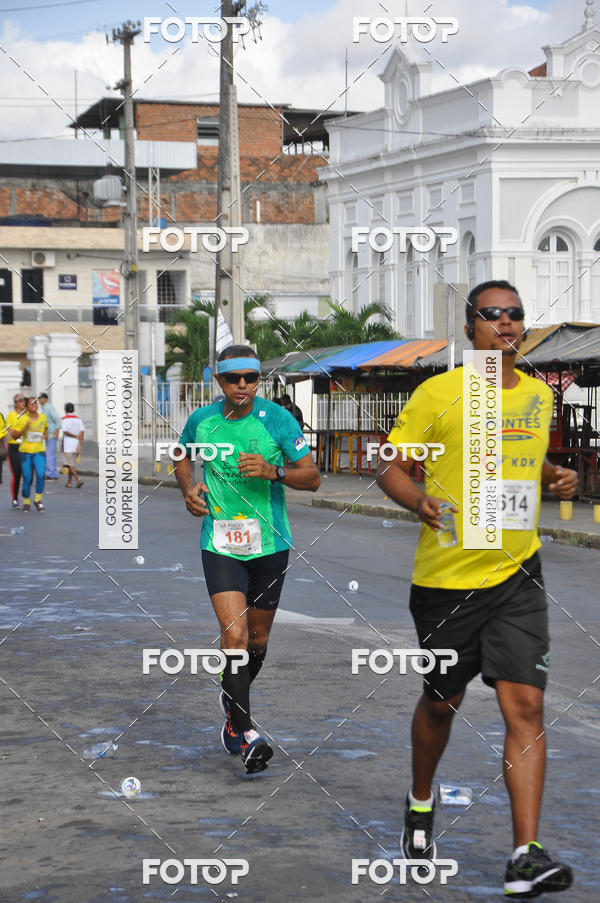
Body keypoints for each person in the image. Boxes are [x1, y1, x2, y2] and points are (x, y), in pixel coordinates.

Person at [376, 280, 576, 898]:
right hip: (446, 582)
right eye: (493, 315)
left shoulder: (539, 397)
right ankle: (419, 800)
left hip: (517, 574)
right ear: (471, 330)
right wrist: (419, 501)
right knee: (442, 703)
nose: (507, 324)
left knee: (527, 707)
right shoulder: (441, 392)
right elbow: (388, 462)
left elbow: (526, 461)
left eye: (516, 315)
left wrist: (554, 476)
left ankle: (525, 854)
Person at [174, 345, 320, 774]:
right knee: (234, 637)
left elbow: (312, 478)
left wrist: (274, 471)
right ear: (218, 381)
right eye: (233, 378)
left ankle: (230, 705)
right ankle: (246, 733)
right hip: (220, 542)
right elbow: (182, 454)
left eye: (250, 379)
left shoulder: (278, 419)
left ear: (259, 381)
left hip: (270, 545)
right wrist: (188, 489)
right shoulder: (203, 420)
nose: (242, 385)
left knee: (256, 643)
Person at [11, 396, 48, 512]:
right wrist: (24, 429)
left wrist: (46, 435)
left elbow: (46, 430)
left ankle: (38, 500)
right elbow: (14, 435)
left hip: (39, 451)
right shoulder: (22, 419)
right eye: (31, 404)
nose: (35, 406)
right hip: (25, 452)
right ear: (27, 406)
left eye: (36, 404)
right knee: (28, 478)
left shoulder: (43, 417)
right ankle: (26, 501)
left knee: (41, 475)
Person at [4, 393, 26, 508]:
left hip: (26, 447)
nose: (23, 402)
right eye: (20, 400)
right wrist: (17, 433)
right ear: (15, 403)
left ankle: (25, 494)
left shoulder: (28, 415)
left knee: (27, 475)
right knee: (17, 474)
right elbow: (9, 431)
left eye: (24, 400)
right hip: (14, 447)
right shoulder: (11, 415)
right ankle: (15, 498)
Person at [61, 402, 84, 488]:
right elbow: (82, 432)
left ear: (65, 410)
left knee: (70, 465)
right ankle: (69, 482)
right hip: (76, 444)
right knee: (72, 464)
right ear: (73, 410)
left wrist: (74, 436)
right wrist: (80, 444)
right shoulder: (79, 419)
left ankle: (78, 479)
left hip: (67, 445)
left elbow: (65, 431)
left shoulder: (63, 419)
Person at [39, 392, 61, 479]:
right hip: (47, 434)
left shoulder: (48, 408)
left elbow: (58, 419)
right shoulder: (44, 408)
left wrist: (56, 432)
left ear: (46, 399)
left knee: (50, 454)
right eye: (39, 398)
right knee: (49, 454)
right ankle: (52, 472)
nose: (39, 400)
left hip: (52, 434)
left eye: (41, 398)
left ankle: (51, 474)